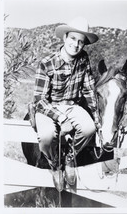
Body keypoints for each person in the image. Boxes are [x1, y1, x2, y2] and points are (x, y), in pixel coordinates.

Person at [33, 17, 101, 192]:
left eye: (81, 42)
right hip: (48, 107)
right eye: (73, 39)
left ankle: (71, 158)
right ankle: (54, 163)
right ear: (64, 38)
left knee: (89, 128)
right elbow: (39, 100)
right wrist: (61, 118)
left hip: (72, 105)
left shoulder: (83, 60)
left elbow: (89, 90)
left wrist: (97, 117)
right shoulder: (47, 63)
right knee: (47, 136)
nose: (76, 45)